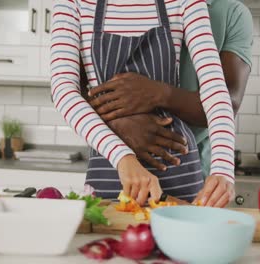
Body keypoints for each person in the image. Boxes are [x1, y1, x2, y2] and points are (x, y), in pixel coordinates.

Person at [51, 0, 238, 205]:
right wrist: (122, 156)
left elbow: (214, 88)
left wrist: (223, 168)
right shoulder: (73, 3)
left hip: (176, 160)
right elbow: (64, 90)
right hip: (111, 163)